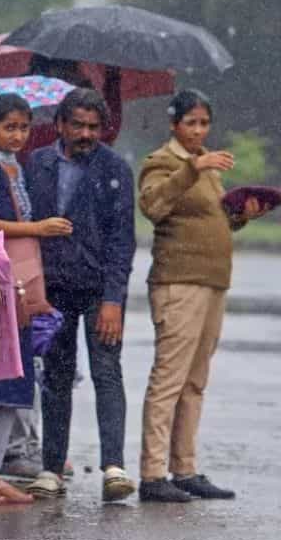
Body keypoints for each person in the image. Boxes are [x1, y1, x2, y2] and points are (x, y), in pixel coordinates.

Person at [137, 90, 268, 503]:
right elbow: (153, 205)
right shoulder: (163, 162)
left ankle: (184, 468)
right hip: (178, 283)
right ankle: (153, 473)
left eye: (204, 123)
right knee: (168, 380)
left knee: (195, 382)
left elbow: (213, 220)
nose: (199, 130)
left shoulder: (209, 166)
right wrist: (193, 167)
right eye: (191, 123)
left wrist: (243, 214)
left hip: (212, 283)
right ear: (174, 124)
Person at [24, 88, 137, 501]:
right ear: (60, 125)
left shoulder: (115, 169)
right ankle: (51, 468)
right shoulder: (38, 164)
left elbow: (123, 240)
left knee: (107, 373)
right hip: (54, 287)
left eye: (94, 126)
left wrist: (113, 299)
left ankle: (114, 467)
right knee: (55, 377)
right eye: (79, 125)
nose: (87, 133)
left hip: (99, 290)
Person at [0, 93, 69, 504]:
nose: (17, 135)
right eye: (10, 127)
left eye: (23, 127)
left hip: (15, 284)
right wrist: (37, 228)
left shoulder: (14, 167)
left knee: (16, 380)